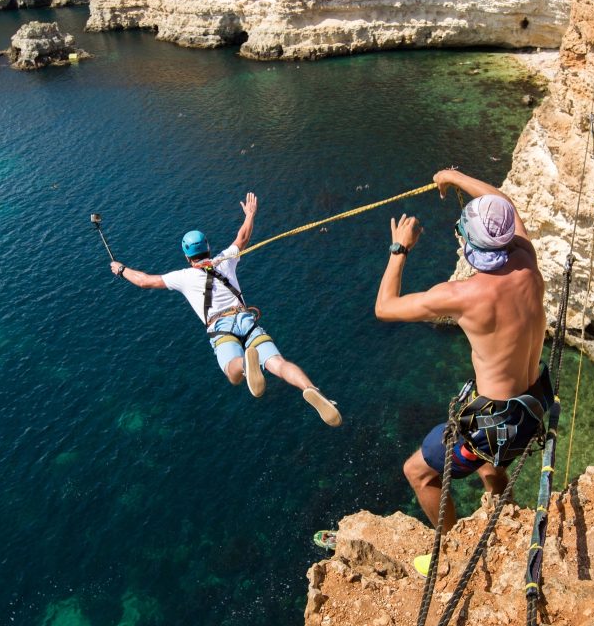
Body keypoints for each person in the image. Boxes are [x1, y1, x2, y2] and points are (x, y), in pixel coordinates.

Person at [375, 169, 552, 532]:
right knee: (489, 464)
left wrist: (400, 248)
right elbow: (504, 203)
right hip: (534, 404)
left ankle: (450, 543)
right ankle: (506, 508)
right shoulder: (526, 256)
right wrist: (453, 176)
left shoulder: (463, 296)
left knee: (418, 473)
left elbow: (385, 307)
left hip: (497, 424)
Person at [110, 192, 342, 427]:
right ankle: (312, 389)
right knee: (278, 363)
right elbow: (242, 237)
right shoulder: (225, 260)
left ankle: (244, 365)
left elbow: (144, 281)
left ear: (187, 256)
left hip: (221, 327)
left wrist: (121, 269)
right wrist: (250, 215)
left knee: (232, 375)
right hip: (245, 319)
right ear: (208, 248)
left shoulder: (182, 277)